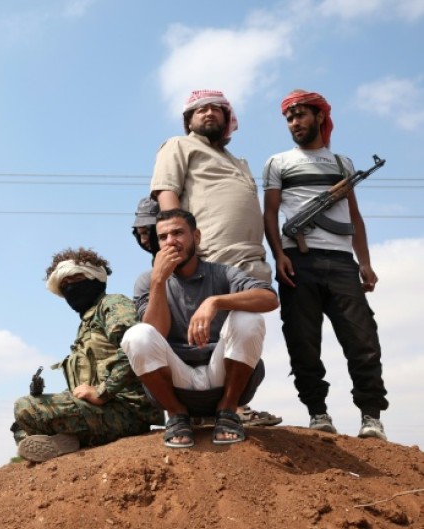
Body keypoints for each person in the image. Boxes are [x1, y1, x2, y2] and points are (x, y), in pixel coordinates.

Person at [150, 90, 281, 428]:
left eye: (215, 109)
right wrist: (177, 245)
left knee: (244, 331)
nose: (208, 113)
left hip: (250, 260)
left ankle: (234, 404)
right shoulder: (179, 146)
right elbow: (167, 195)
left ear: (227, 118)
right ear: (188, 120)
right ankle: (205, 409)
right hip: (212, 254)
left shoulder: (239, 162)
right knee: (204, 338)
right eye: (200, 110)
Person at [262, 90, 388, 440]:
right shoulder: (278, 163)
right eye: (289, 118)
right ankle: (317, 412)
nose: (294, 123)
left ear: (319, 117)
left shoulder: (342, 164)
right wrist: (279, 254)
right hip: (298, 261)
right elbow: (270, 214)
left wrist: (365, 262)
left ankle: (371, 416)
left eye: (300, 115)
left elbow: (354, 217)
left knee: (363, 339)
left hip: (342, 262)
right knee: (302, 341)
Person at [121, 209, 279, 448]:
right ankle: (177, 415)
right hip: (177, 381)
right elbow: (154, 334)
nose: (170, 241)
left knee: (248, 318)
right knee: (136, 335)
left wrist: (215, 302)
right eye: (163, 237)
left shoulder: (222, 272)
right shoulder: (148, 281)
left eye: (178, 233)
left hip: (222, 376)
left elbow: (269, 298)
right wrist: (159, 281)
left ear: (196, 236)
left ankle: (228, 411)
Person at [11, 248, 163, 462]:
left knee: (26, 408)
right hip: (101, 408)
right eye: (64, 284)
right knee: (20, 425)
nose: (70, 287)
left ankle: (68, 440)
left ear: (95, 278)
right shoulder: (85, 325)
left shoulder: (113, 305)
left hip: (127, 409)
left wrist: (102, 392)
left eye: (76, 279)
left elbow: (134, 347)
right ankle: (66, 442)